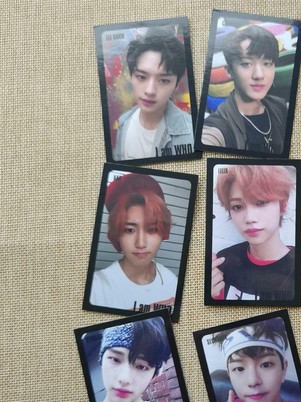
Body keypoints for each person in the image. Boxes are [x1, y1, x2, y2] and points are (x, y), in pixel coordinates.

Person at [90, 173, 178, 312]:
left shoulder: (171, 281)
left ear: (163, 232)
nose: (141, 243)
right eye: (129, 230)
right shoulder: (96, 289)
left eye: (152, 229)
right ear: (116, 234)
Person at [211, 165, 295, 301]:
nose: (249, 218)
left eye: (261, 202)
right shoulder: (224, 261)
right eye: (237, 206)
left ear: (282, 205)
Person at [202, 25, 288, 154]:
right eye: (247, 64)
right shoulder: (219, 127)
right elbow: (209, 138)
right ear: (229, 71)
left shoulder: (279, 107)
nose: (259, 75)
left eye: (267, 63)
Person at [113, 26, 194, 161]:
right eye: (141, 77)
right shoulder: (124, 122)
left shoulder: (192, 134)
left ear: (176, 84)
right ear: (131, 76)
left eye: (164, 80)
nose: (150, 91)